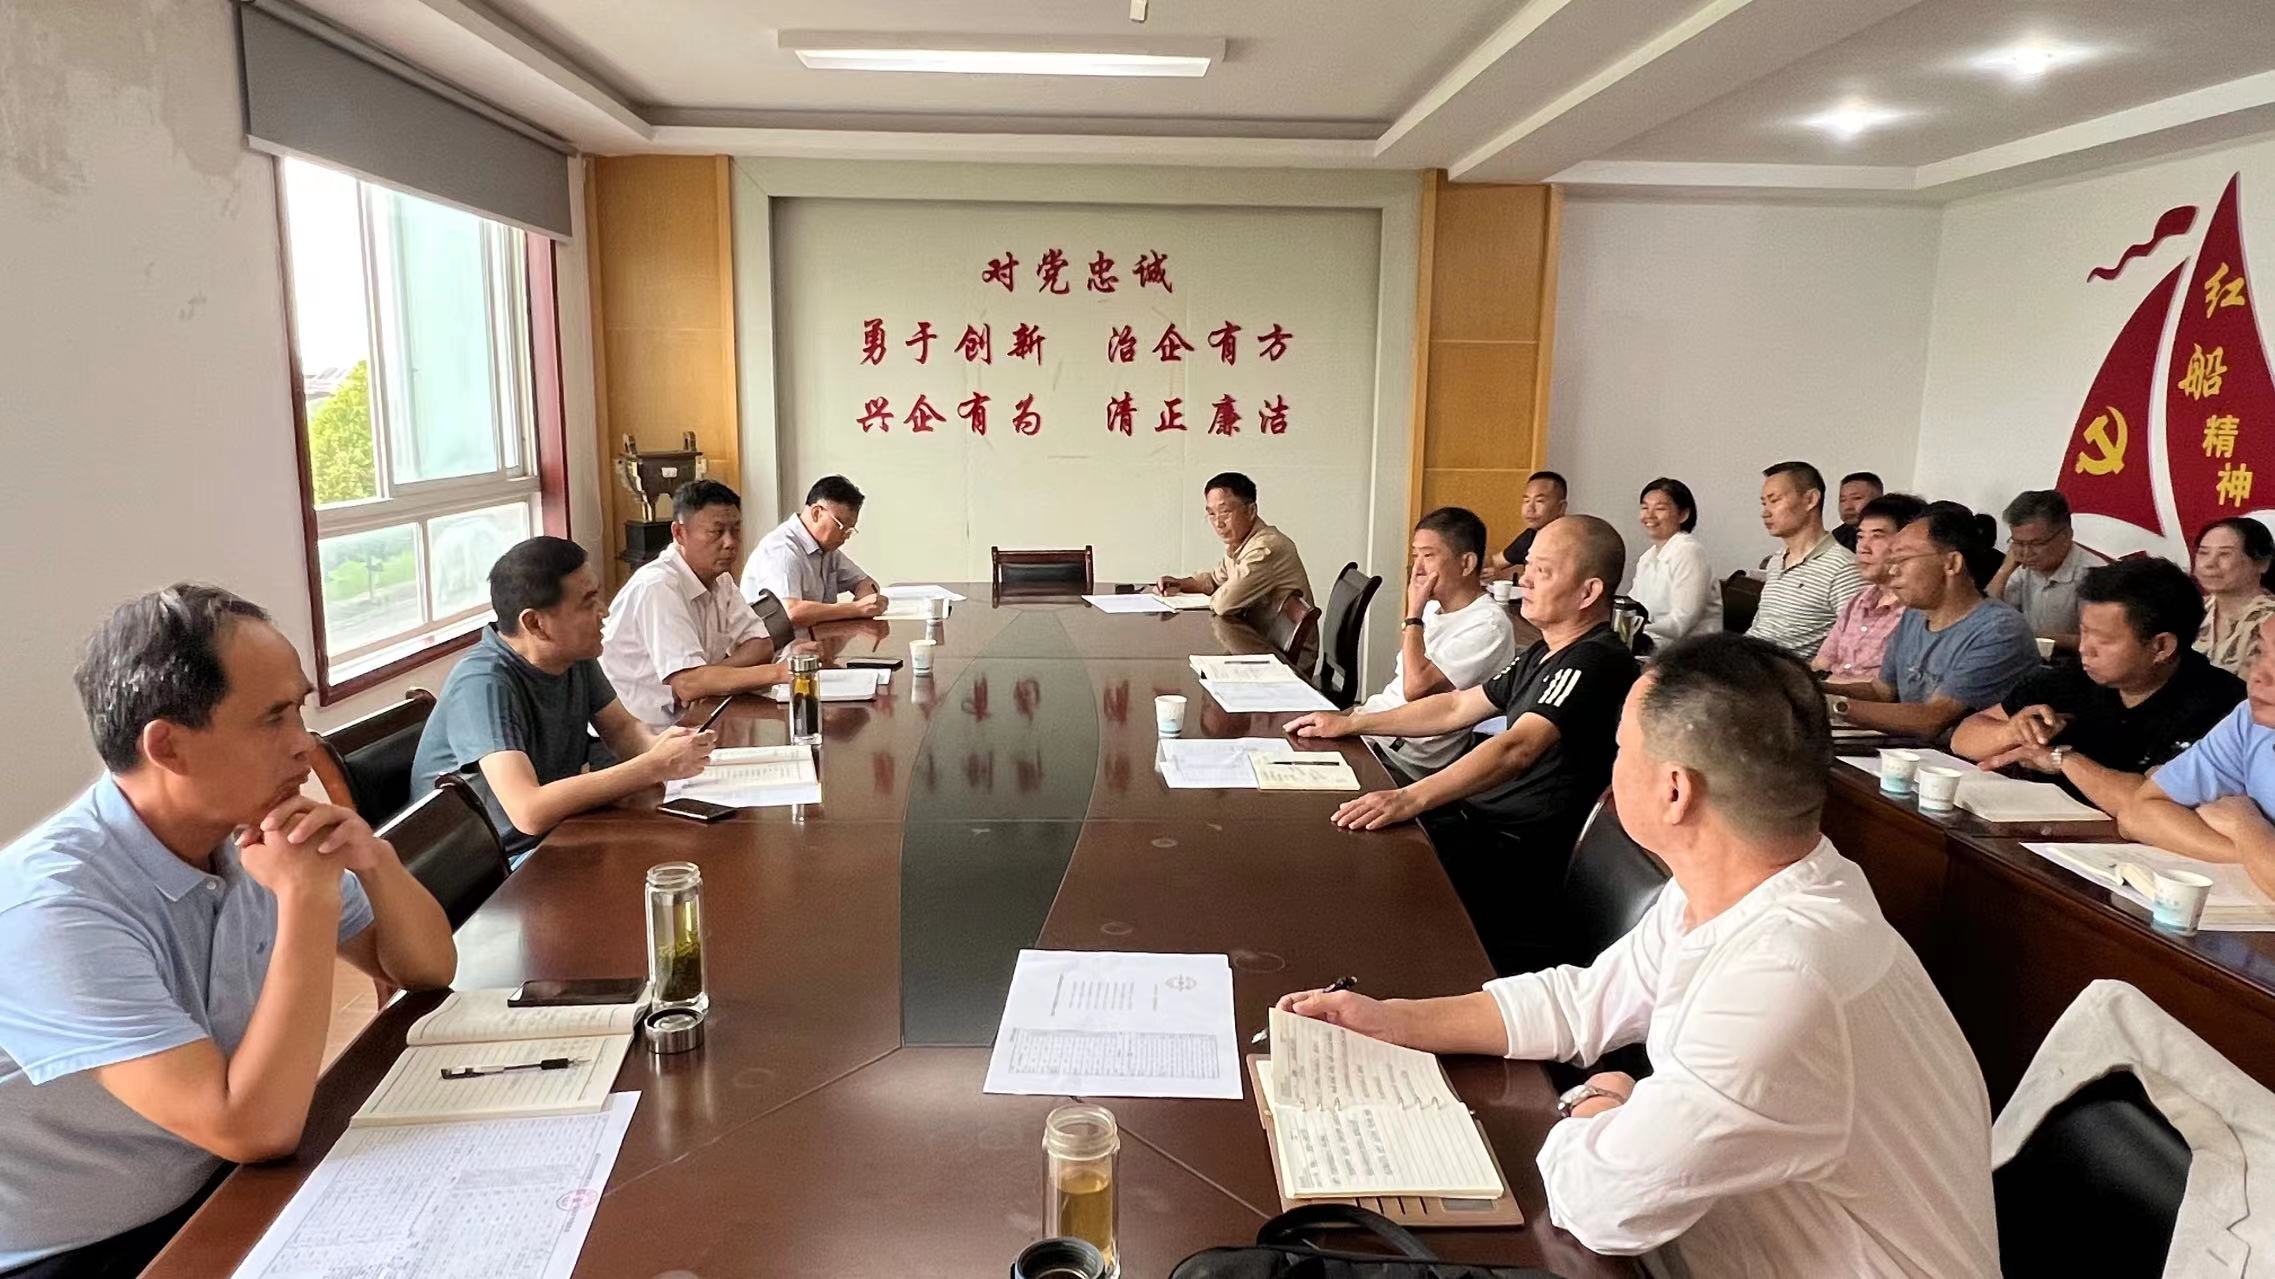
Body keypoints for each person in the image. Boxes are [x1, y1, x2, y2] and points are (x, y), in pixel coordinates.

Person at [1276, 634, 1998, 1279]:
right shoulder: (1745, 886)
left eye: (1621, 749)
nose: (1610, 764)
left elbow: (1601, 1205)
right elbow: (1583, 1002)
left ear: (1674, 790)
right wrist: (1393, 1020)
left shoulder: (1786, 974)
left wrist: (1592, 1100)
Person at [0, 587, 458, 1275]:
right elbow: (253, 1127)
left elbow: (425, 969)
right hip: (86, 1248)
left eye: (300, 709)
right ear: (168, 746)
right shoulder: (52, 910)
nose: (305, 745)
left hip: (221, 1186)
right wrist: (306, 900)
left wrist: (376, 860)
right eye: (273, 719)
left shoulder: (249, 832)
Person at [1284, 516, 1639, 973]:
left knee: (1355, 877)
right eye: (1528, 566)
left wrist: (1409, 797)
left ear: (1588, 593)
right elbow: (1454, 707)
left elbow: (1517, 749)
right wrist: (1354, 723)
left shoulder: (1593, 661)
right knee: (1333, 844)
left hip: (1515, 855)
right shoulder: (1543, 651)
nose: (1524, 580)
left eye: (1543, 571)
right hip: (1478, 822)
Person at [413, 537, 722, 860]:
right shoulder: (483, 683)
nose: (603, 611)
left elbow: (622, 730)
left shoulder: (572, 655)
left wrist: (667, 748)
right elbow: (528, 811)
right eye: (588, 602)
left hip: (558, 832)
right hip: (492, 864)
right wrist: (653, 766)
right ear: (535, 624)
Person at [1953, 558, 2242, 812]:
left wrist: (2062, 759)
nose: (2084, 649)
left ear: (2161, 646)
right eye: (2083, 633)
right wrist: (2013, 731)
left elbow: (2152, 803)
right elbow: (1964, 738)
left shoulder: (2221, 706)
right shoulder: (2074, 676)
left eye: (2103, 640)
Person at [601, 480, 798, 729]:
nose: (730, 542)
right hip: (637, 734)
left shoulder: (721, 579)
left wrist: (709, 680)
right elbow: (687, 684)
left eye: (736, 530)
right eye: (716, 532)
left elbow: (761, 645)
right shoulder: (658, 586)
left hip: (692, 719)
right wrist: (779, 673)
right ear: (679, 533)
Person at [1827, 508, 2039, 738]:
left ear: (1952, 563)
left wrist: (1833, 705)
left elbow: (1933, 718)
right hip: (1910, 751)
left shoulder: (2000, 630)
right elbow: (1881, 691)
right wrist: (1811, 688)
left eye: (1902, 559)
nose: (1893, 571)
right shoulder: (1914, 615)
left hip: (1960, 757)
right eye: (1892, 560)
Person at [1356, 507, 1519, 781]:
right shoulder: (1433, 608)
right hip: (1373, 732)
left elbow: (1415, 689)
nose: (1418, 569)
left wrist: (1413, 615)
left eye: (1429, 556)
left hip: (1401, 759)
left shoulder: (1488, 626)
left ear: (1467, 564)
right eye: (1415, 556)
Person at [2118, 615, 2275, 897]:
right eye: (2261, 652)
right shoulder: (2250, 721)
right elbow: (2138, 814)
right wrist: (2256, 855)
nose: (2259, 675)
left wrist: (2246, 827)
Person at [1154, 472, 1312, 629]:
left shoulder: (1266, 548)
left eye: (1225, 512)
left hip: (1273, 644)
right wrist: (1180, 584)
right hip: (1256, 635)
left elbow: (1223, 604)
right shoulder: (1240, 542)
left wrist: (1218, 593)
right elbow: (1215, 580)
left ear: (1251, 511)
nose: (1218, 523)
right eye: (1211, 514)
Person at [1744, 461, 1863, 657]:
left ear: (1810, 500)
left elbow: (1855, 645)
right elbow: (1761, 627)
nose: (1765, 512)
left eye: (1775, 500)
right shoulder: (1777, 560)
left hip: (1786, 672)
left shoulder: (1843, 568)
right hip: (1749, 661)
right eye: (1764, 503)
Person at [741, 474, 888, 628]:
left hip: (811, 638)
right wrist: (856, 609)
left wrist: (866, 602)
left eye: (850, 530)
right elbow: (791, 612)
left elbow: (865, 583)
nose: (846, 535)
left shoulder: (827, 550)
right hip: (773, 642)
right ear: (816, 513)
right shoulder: (781, 549)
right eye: (841, 526)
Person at [1812, 492, 1926, 684]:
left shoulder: (1918, 611)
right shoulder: (1859, 600)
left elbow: (1893, 688)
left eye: (1877, 536)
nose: (1863, 548)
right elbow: (1821, 663)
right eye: (1860, 537)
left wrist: (1828, 683)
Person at [1986, 489, 2103, 649]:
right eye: (2018, 543)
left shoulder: (2095, 575)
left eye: (2036, 544)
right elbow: (1985, 618)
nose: (2026, 553)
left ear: (2066, 535)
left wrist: (2032, 638)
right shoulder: (2022, 568)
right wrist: (2004, 571)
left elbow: (2100, 642)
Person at [1627, 477, 1719, 645]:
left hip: (1690, 651)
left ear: (1683, 515)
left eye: (1660, 509)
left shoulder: (1689, 552)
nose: (1649, 515)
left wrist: (1633, 630)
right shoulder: (1647, 557)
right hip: (1653, 644)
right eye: (1644, 508)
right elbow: (1633, 606)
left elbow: (1682, 622)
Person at [2193, 517, 2275, 678]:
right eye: (2203, 553)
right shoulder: (2189, 611)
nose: (2209, 563)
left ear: (2262, 564)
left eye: (2224, 554)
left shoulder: (2271, 619)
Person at [1483, 471, 1568, 583]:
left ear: (1561, 507)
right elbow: (1495, 562)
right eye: (1526, 501)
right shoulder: (1530, 535)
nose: (1530, 508)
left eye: (1539, 501)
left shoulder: (1569, 540)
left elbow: (1553, 580)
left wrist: (1506, 576)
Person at [1832, 470, 1884, 551]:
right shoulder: (1837, 537)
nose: (1848, 507)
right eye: (1842, 500)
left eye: (1856, 498)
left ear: (1878, 500)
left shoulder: (1896, 533)